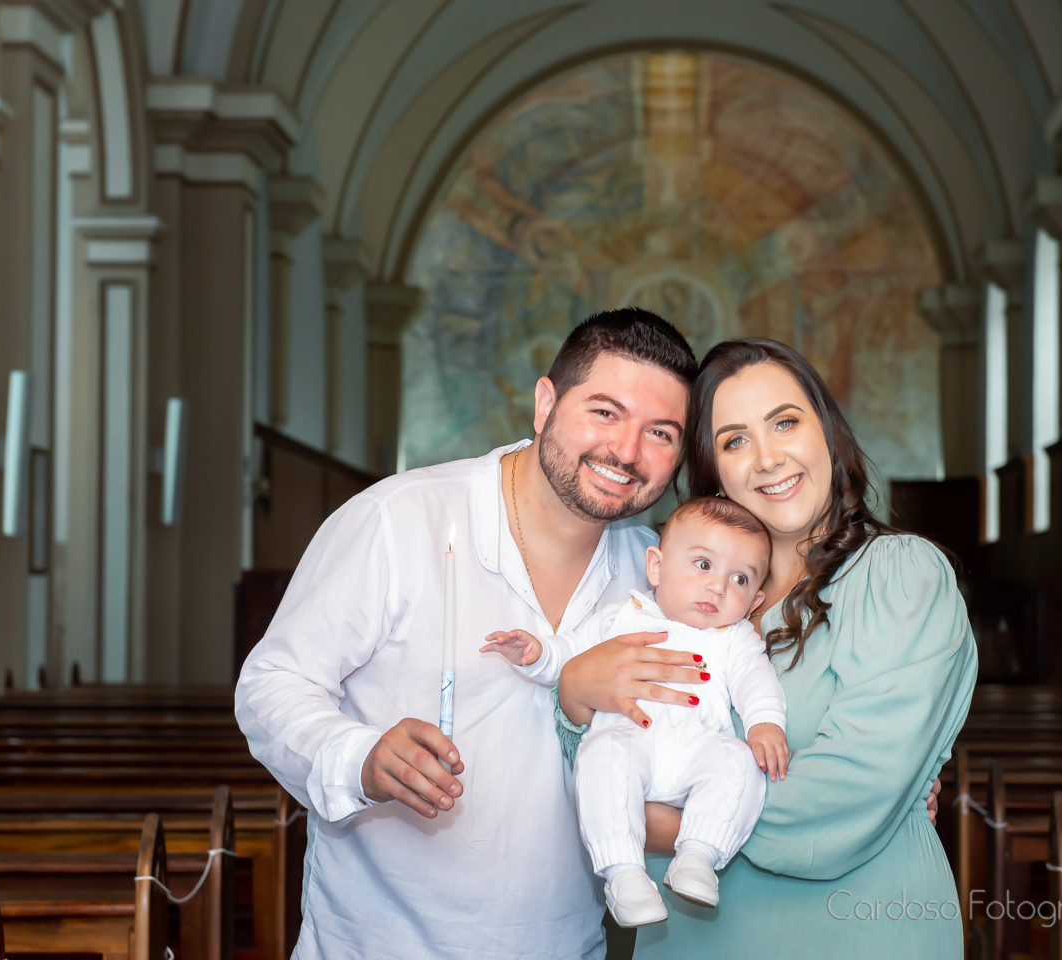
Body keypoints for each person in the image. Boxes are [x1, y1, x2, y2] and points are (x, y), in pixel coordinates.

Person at [234, 309, 712, 960]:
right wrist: (361, 756)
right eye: (604, 412)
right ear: (546, 404)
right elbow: (270, 686)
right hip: (378, 945)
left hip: (564, 946)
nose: (627, 452)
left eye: (660, 432)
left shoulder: (654, 573)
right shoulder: (397, 521)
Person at [556, 338, 977, 959]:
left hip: (854, 930)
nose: (767, 458)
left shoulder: (900, 575)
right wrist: (572, 695)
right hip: (689, 940)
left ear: (827, 432)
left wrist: (658, 824)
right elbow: (599, 752)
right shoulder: (689, 602)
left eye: (785, 422)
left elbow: (846, 799)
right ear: (713, 474)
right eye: (734, 440)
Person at [482, 496, 789, 927]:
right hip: (629, 743)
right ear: (657, 567)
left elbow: (757, 682)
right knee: (601, 757)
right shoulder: (622, 616)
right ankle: (623, 874)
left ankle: (699, 856)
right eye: (703, 565)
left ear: (755, 601)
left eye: (739, 578)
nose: (718, 587)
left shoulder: (733, 638)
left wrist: (765, 725)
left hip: (696, 753)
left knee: (739, 762)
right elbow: (569, 655)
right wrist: (537, 653)